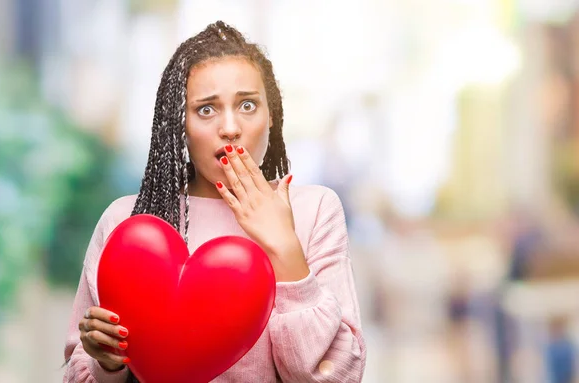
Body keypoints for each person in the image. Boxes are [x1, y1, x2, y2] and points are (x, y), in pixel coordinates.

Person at [63, 20, 366, 382]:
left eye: (248, 105)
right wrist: (108, 362)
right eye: (206, 109)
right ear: (180, 125)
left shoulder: (314, 210)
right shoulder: (125, 222)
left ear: (272, 117)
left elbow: (339, 375)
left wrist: (285, 248)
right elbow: (78, 371)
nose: (230, 127)